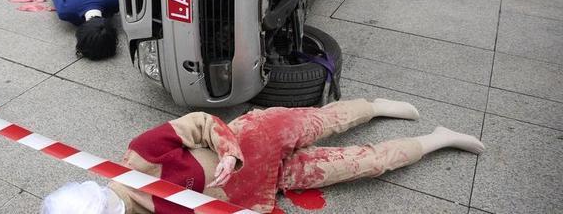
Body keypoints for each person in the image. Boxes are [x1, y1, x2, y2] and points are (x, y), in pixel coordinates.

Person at [41, 98, 486, 213]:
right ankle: (437, 140)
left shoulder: (139, 158)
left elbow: (199, 122)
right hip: (266, 183)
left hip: (252, 138)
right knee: (361, 164)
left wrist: (228, 150)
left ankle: (374, 106)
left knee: (324, 120)